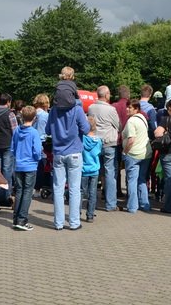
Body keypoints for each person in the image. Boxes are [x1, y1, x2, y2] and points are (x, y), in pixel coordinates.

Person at [48, 91, 91, 230]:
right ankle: (74, 222)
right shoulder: (77, 109)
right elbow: (86, 129)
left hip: (58, 153)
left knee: (58, 189)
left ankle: (58, 223)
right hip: (74, 152)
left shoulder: (53, 110)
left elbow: (48, 130)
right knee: (74, 189)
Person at [87, 86, 121, 211]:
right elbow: (118, 125)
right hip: (108, 143)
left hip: (95, 143)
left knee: (95, 171)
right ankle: (110, 204)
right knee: (110, 172)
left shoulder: (91, 108)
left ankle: (92, 202)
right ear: (106, 95)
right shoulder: (111, 109)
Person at [10, 106, 42, 231]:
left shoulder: (17, 130)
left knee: (19, 191)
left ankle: (16, 219)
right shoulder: (34, 133)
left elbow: (12, 148)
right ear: (34, 118)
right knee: (27, 192)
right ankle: (22, 220)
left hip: (18, 165)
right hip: (30, 165)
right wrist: (37, 158)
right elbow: (37, 150)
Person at [81, 120, 103, 222]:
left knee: (81, 192)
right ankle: (90, 215)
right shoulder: (98, 141)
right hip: (94, 169)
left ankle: (77, 213)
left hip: (83, 169)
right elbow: (99, 153)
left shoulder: (82, 139)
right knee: (93, 193)